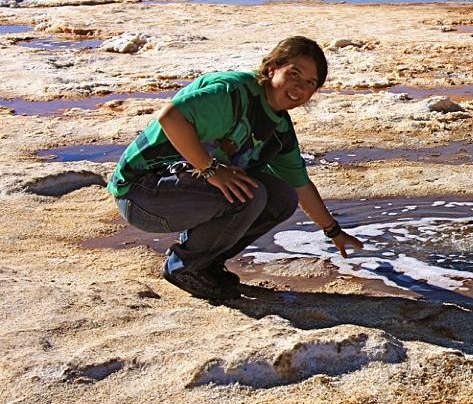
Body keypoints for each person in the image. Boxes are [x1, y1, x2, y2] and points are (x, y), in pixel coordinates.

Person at [107, 36, 363, 301]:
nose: (300, 87)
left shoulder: (279, 128)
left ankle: (206, 261)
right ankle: (185, 267)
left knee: (282, 197)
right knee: (252, 194)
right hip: (141, 194)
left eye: (310, 83)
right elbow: (170, 116)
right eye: (294, 73)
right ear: (272, 68)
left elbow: (300, 185)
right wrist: (211, 170)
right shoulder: (233, 93)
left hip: (182, 193)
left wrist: (334, 232)